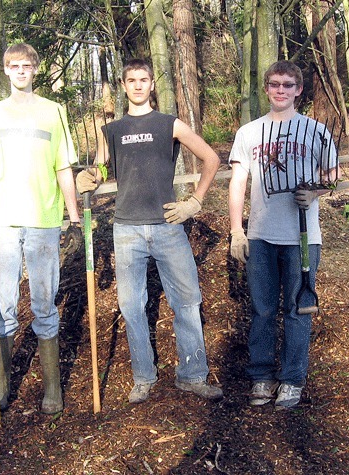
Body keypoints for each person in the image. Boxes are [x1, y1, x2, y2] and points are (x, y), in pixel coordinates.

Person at [76, 59, 222, 404]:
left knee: (187, 302)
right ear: (124, 85)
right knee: (131, 305)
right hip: (126, 229)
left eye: (144, 80)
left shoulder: (169, 124)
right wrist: (91, 177)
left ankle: (193, 375)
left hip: (168, 226)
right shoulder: (111, 129)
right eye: (132, 80)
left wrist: (194, 202)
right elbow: (100, 167)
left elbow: (211, 159)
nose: (138, 85)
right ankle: (144, 377)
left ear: (152, 84)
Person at [0, 43, 82, 414]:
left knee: (45, 304)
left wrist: (74, 217)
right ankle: (1, 385)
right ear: (6, 70)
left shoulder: (55, 112)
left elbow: (64, 167)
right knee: (4, 307)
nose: (20, 71)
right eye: (13, 65)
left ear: (35, 69)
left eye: (26, 65)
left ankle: (52, 390)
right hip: (1, 222)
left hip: (44, 221)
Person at [228, 60, 339, 409]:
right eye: (274, 84)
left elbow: (333, 176)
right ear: (266, 88)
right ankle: (261, 377)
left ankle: (292, 379)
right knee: (262, 309)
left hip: (303, 238)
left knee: (297, 309)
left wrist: (316, 193)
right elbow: (238, 182)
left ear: (298, 90)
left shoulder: (317, 131)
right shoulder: (249, 133)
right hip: (260, 235)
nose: (280, 90)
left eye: (288, 85)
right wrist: (236, 230)